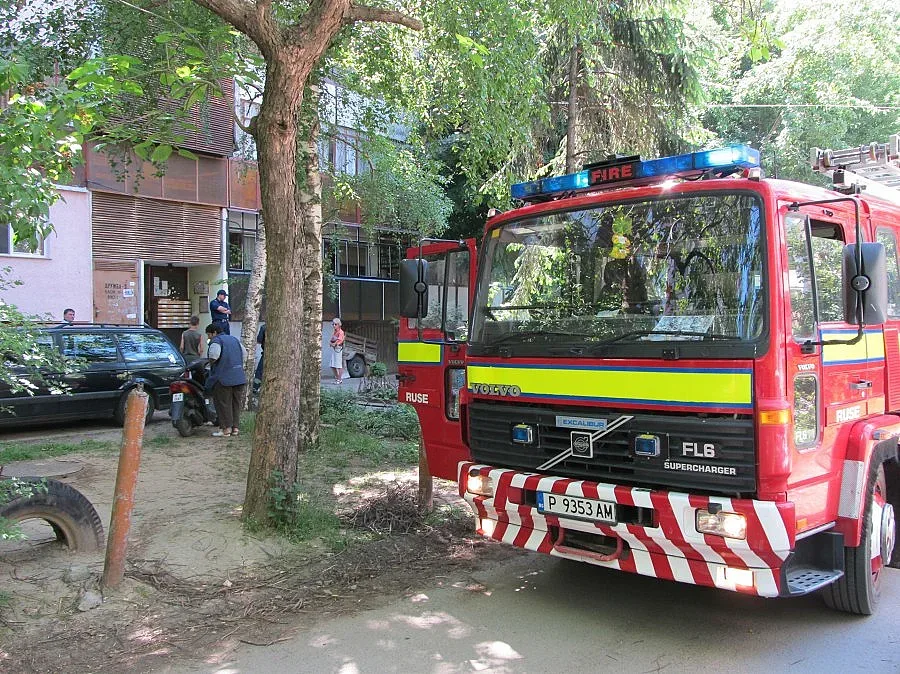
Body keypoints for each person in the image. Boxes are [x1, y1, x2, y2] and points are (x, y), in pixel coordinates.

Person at [204, 323, 247, 437]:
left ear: (214, 333)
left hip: (223, 379)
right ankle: (235, 429)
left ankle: (226, 429)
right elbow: (245, 355)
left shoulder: (216, 341)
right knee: (236, 404)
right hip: (239, 377)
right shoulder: (234, 339)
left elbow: (214, 355)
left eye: (209, 335)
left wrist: (210, 364)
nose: (209, 338)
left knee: (223, 403)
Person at [329, 317, 345, 384]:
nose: (334, 326)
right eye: (333, 324)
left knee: (338, 365)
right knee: (332, 365)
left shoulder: (341, 332)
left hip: (338, 349)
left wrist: (334, 344)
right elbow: (332, 339)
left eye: (335, 324)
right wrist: (331, 343)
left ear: (339, 325)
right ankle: (337, 377)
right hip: (334, 349)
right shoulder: (335, 332)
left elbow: (340, 340)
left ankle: (339, 379)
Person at [254, 321, 266, 389]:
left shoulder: (264, 327)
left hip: (266, 353)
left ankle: (255, 388)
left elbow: (259, 340)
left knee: (259, 372)